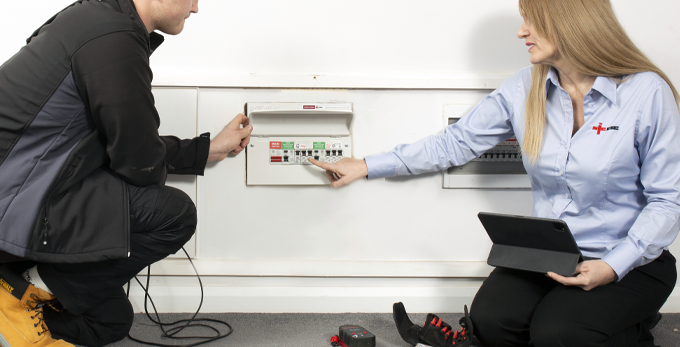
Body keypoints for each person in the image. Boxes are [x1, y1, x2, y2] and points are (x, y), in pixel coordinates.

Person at [310, 0, 680, 346]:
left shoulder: (646, 92)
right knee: (491, 322)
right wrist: (365, 165)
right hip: (550, 255)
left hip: (629, 261)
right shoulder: (525, 87)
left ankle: (635, 323)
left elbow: (668, 201)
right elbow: (454, 143)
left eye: (532, 20)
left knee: (557, 333)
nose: (522, 32)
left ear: (571, 21)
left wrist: (612, 267)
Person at [0, 0, 252, 346]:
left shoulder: (94, 19)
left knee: (109, 321)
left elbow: (127, 142)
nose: (196, 8)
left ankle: (13, 298)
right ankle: (17, 293)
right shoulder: (112, 34)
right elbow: (140, 163)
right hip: (16, 207)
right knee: (174, 215)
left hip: (29, 194)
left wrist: (206, 150)